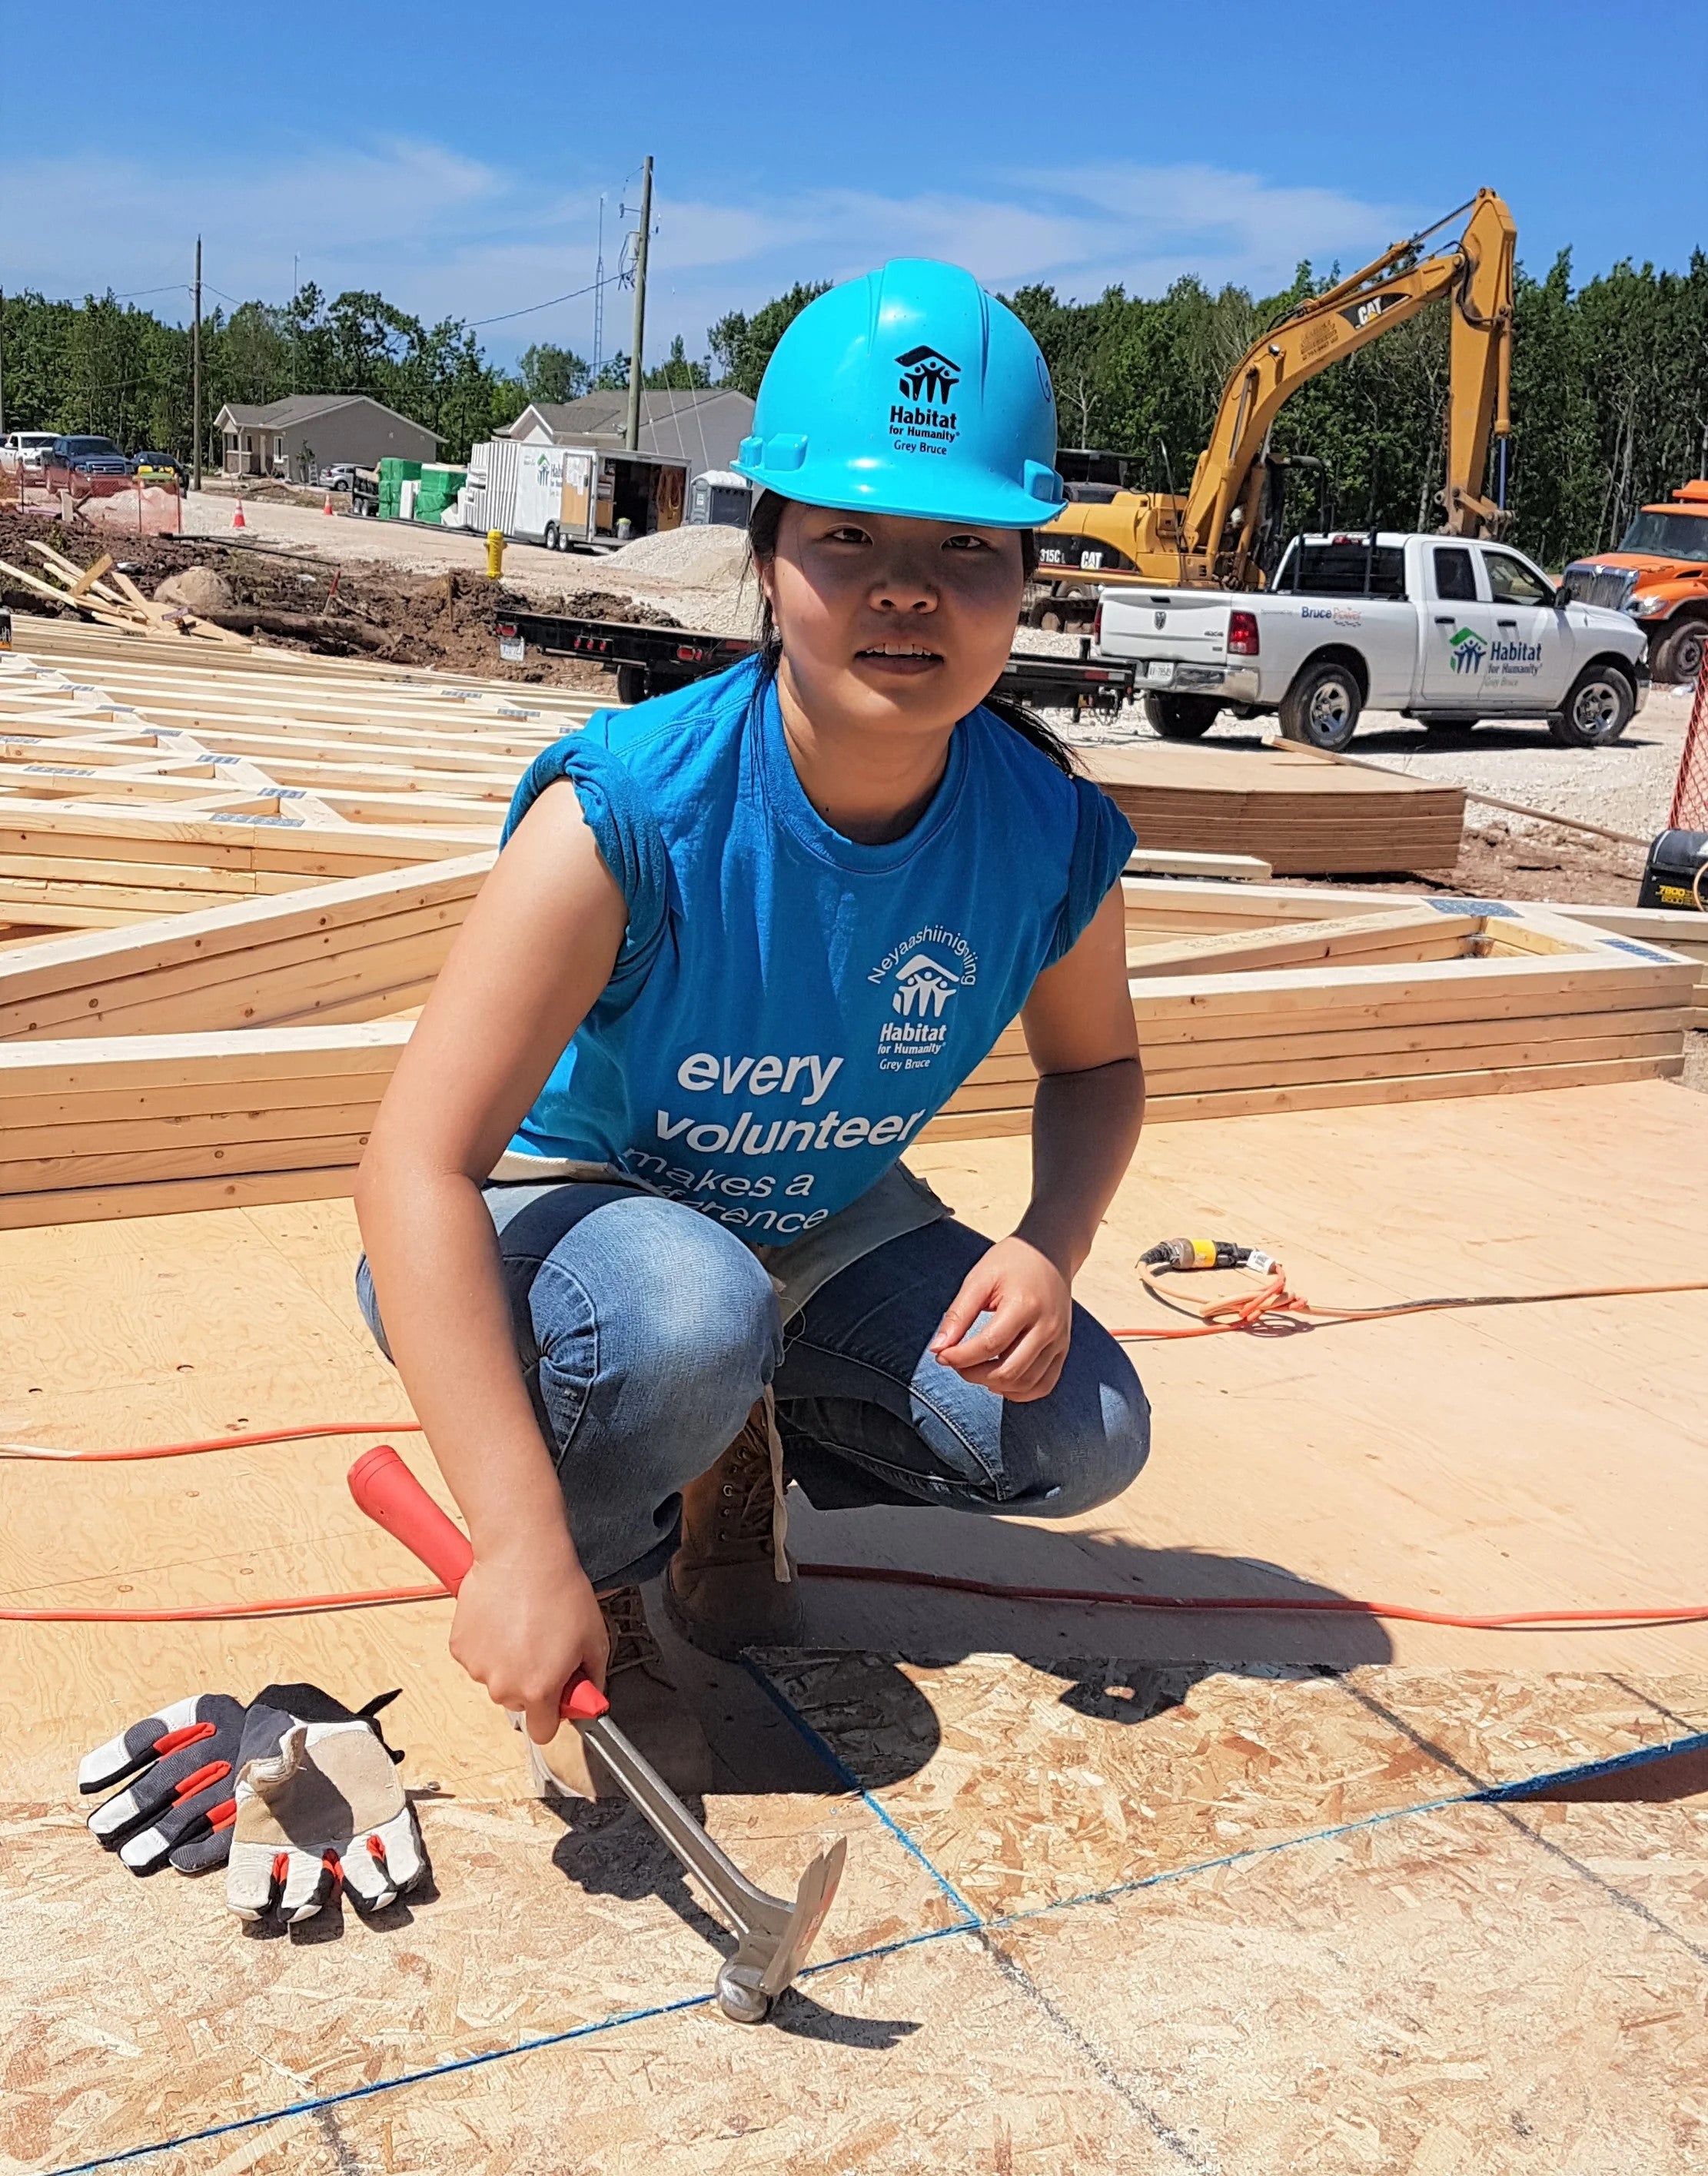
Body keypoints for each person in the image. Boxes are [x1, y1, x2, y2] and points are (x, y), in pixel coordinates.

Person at [354, 260, 1151, 1796]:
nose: (904, 587)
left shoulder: (1046, 836)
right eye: (848, 536)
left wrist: (1051, 1241)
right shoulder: (631, 810)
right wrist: (517, 1542)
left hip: (806, 1226)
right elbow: (411, 1170)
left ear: (1028, 574)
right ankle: (609, 1571)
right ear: (769, 554)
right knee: (681, 1318)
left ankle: (729, 1438)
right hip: (564, 1234)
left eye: (964, 546)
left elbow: (1098, 1067)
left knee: (1082, 1427)